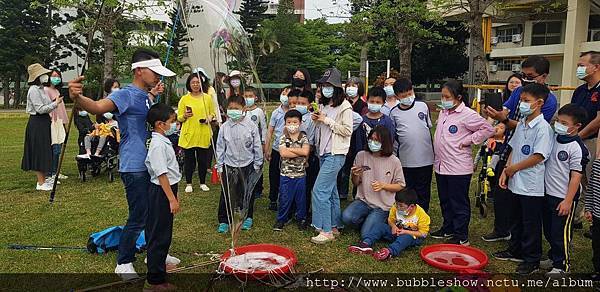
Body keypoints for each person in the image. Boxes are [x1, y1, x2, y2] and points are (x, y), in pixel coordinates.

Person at [68, 48, 177, 279]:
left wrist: (153, 96)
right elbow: (98, 107)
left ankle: (154, 254)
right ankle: (124, 261)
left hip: (149, 165)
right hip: (134, 165)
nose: (158, 77)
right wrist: (77, 97)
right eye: (154, 72)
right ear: (138, 71)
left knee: (154, 213)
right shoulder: (124, 95)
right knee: (138, 215)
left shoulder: (146, 96)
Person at [494, 83, 553, 275]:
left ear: (539, 103)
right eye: (521, 101)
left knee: (531, 223)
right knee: (516, 218)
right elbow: (514, 148)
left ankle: (532, 258)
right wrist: (506, 170)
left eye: (526, 101)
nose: (522, 105)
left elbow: (539, 156)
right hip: (515, 180)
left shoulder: (543, 128)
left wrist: (514, 169)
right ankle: (515, 249)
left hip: (531, 184)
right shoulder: (522, 124)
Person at [431, 79, 494, 246]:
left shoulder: (468, 114)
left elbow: (488, 129)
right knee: (445, 199)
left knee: (458, 202)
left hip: (458, 167)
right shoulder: (445, 111)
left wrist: (469, 140)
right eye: (442, 96)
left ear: (458, 97)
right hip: (441, 165)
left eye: (447, 97)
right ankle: (448, 227)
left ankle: (461, 235)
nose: (443, 100)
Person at [541, 104, 589, 276]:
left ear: (577, 126)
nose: (558, 125)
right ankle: (554, 257)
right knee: (548, 229)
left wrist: (568, 201)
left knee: (560, 233)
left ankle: (562, 266)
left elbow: (576, 177)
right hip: (547, 193)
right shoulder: (554, 138)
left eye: (564, 122)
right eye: (558, 121)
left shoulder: (577, 148)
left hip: (563, 198)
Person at [310, 68, 353, 244]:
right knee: (331, 191)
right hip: (324, 153)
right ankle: (335, 227)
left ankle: (325, 230)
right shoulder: (324, 105)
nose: (325, 89)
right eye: (323, 86)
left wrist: (326, 120)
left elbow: (347, 130)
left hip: (336, 154)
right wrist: (317, 119)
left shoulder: (345, 107)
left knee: (319, 190)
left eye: (329, 86)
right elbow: (323, 129)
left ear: (337, 87)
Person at [342, 125, 405, 242]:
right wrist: (355, 174)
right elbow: (355, 183)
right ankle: (369, 221)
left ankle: (379, 223)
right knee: (346, 218)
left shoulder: (394, 161)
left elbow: (400, 185)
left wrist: (383, 185)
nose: (373, 142)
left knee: (366, 234)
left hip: (383, 206)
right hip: (363, 201)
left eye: (377, 140)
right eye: (371, 139)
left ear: (385, 142)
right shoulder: (361, 155)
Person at [144, 103, 181, 291]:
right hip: (161, 192)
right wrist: (171, 199)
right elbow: (161, 174)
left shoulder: (163, 140)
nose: (175, 124)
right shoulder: (157, 145)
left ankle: (159, 267)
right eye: (172, 121)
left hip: (167, 189)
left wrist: (174, 195)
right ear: (160, 124)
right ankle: (155, 281)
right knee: (159, 235)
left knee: (163, 232)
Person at [216, 95, 263, 233]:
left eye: (236, 108)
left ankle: (247, 216)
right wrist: (219, 166)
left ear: (244, 109)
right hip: (229, 164)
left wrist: (257, 163)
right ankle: (224, 220)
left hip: (247, 164)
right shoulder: (224, 127)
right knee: (227, 193)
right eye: (230, 108)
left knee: (246, 192)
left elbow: (257, 146)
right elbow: (220, 147)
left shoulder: (251, 126)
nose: (233, 111)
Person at [389, 78, 434, 211]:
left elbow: (428, 126)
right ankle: (408, 215)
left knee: (424, 190)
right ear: (397, 96)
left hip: (425, 159)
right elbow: (395, 137)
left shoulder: (423, 107)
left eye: (410, 93)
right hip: (406, 160)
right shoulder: (394, 113)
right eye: (404, 96)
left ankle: (422, 215)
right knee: (408, 190)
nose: (408, 97)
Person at [349, 188, 430, 261]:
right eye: (396, 204)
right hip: (396, 231)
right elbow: (390, 220)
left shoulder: (422, 215)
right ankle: (365, 244)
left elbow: (423, 234)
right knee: (380, 226)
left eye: (401, 206)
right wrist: (393, 226)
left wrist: (406, 232)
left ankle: (389, 252)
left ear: (411, 206)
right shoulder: (395, 207)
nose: (398, 207)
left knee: (406, 238)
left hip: (412, 237)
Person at [569, 51, 600, 232]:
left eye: (582, 65)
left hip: (592, 141)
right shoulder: (580, 91)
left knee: (594, 182)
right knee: (578, 179)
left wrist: (579, 136)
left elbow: (598, 120)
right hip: (577, 141)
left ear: (595, 67)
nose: (579, 69)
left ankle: (594, 221)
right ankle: (578, 215)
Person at [22, 63, 63, 191]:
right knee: (39, 151)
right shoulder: (34, 90)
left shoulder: (40, 89)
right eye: (43, 74)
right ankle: (40, 183)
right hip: (37, 122)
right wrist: (55, 104)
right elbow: (40, 109)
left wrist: (53, 103)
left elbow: (44, 105)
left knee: (45, 150)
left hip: (44, 122)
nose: (46, 76)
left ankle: (44, 180)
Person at [485, 55, 558, 128]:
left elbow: (532, 127)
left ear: (544, 76)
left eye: (530, 76)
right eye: (523, 75)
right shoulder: (518, 91)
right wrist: (495, 113)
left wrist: (504, 120)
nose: (525, 79)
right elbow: (506, 110)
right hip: (511, 137)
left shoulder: (550, 101)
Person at [177, 71, 215, 193]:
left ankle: (202, 182)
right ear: (189, 84)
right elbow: (179, 118)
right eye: (193, 82)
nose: (195, 84)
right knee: (189, 160)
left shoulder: (207, 98)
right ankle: (189, 183)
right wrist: (185, 116)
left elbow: (213, 113)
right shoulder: (184, 99)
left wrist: (210, 118)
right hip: (189, 133)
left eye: (197, 82)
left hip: (203, 132)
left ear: (201, 83)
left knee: (203, 160)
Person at [273, 110, 310, 231]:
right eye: (289, 122)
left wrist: (291, 151)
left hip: (300, 175)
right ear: (285, 123)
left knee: (301, 199)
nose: (292, 124)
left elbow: (306, 152)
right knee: (284, 198)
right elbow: (283, 153)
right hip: (286, 174)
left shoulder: (304, 137)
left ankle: (302, 219)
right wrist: (298, 151)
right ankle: (281, 219)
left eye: (295, 122)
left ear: (300, 123)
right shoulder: (283, 137)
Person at [477, 123, 514, 242]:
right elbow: (480, 152)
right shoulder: (488, 142)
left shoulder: (504, 143)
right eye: (496, 126)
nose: (497, 129)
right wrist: (475, 163)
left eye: (502, 128)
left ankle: (505, 231)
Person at [338, 77, 369, 200]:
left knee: (358, 168)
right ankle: (342, 192)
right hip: (345, 140)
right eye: (349, 85)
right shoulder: (343, 103)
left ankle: (357, 194)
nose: (351, 88)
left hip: (358, 141)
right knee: (344, 169)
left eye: (354, 85)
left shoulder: (363, 105)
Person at [265, 86, 292, 211]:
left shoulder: (294, 112)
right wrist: (267, 148)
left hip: (290, 150)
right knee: (274, 175)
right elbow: (270, 131)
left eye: (288, 93)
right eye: (284, 92)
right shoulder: (276, 112)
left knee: (287, 175)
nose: (285, 95)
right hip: (276, 149)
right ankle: (273, 199)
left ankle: (286, 199)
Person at [353, 87, 395, 159]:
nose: (374, 104)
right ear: (367, 101)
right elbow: (358, 142)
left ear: (383, 103)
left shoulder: (387, 121)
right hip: (365, 157)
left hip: (383, 157)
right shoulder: (361, 120)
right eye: (372, 101)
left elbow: (390, 139)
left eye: (378, 102)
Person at [296, 90, 319, 222]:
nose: (299, 105)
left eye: (302, 103)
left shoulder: (311, 118)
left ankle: (306, 213)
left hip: (309, 156)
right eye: (298, 102)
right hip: (297, 155)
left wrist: (305, 156)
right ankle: (300, 211)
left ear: (309, 105)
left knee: (308, 185)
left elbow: (310, 141)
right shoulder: (297, 118)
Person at [244, 86, 267, 198]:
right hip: (245, 145)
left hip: (256, 144)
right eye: (246, 96)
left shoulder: (259, 112)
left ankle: (258, 189)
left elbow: (263, 127)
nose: (248, 98)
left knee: (257, 166)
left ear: (255, 98)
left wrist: (263, 143)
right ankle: (247, 187)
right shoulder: (242, 111)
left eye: (250, 96)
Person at [45, 69, 68, 181]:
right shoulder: (46, 90)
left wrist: (64, 123)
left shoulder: (58, 91)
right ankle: (50, 173)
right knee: (54, 149)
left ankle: (55, 172)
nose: (56, 78)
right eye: (54, 76)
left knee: (58, 149)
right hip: (52, 122)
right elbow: (47, 106)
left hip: (59, 122)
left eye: (58, 76)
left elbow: (61, 110)